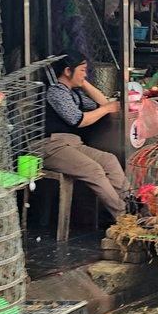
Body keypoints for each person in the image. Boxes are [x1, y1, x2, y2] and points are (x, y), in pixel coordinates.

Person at [42, 51, 129, 222]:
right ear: (67, 71)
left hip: (73, 144)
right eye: (82, 70)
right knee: (93, 170)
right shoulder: (56, 92)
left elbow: (103, 103)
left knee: (109, 160)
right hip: (52, 145)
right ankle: (125, 217)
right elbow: (78, 120)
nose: (85, 74)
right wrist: (105, 109)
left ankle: (134, 204)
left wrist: (83, 83)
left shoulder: (74, 93)